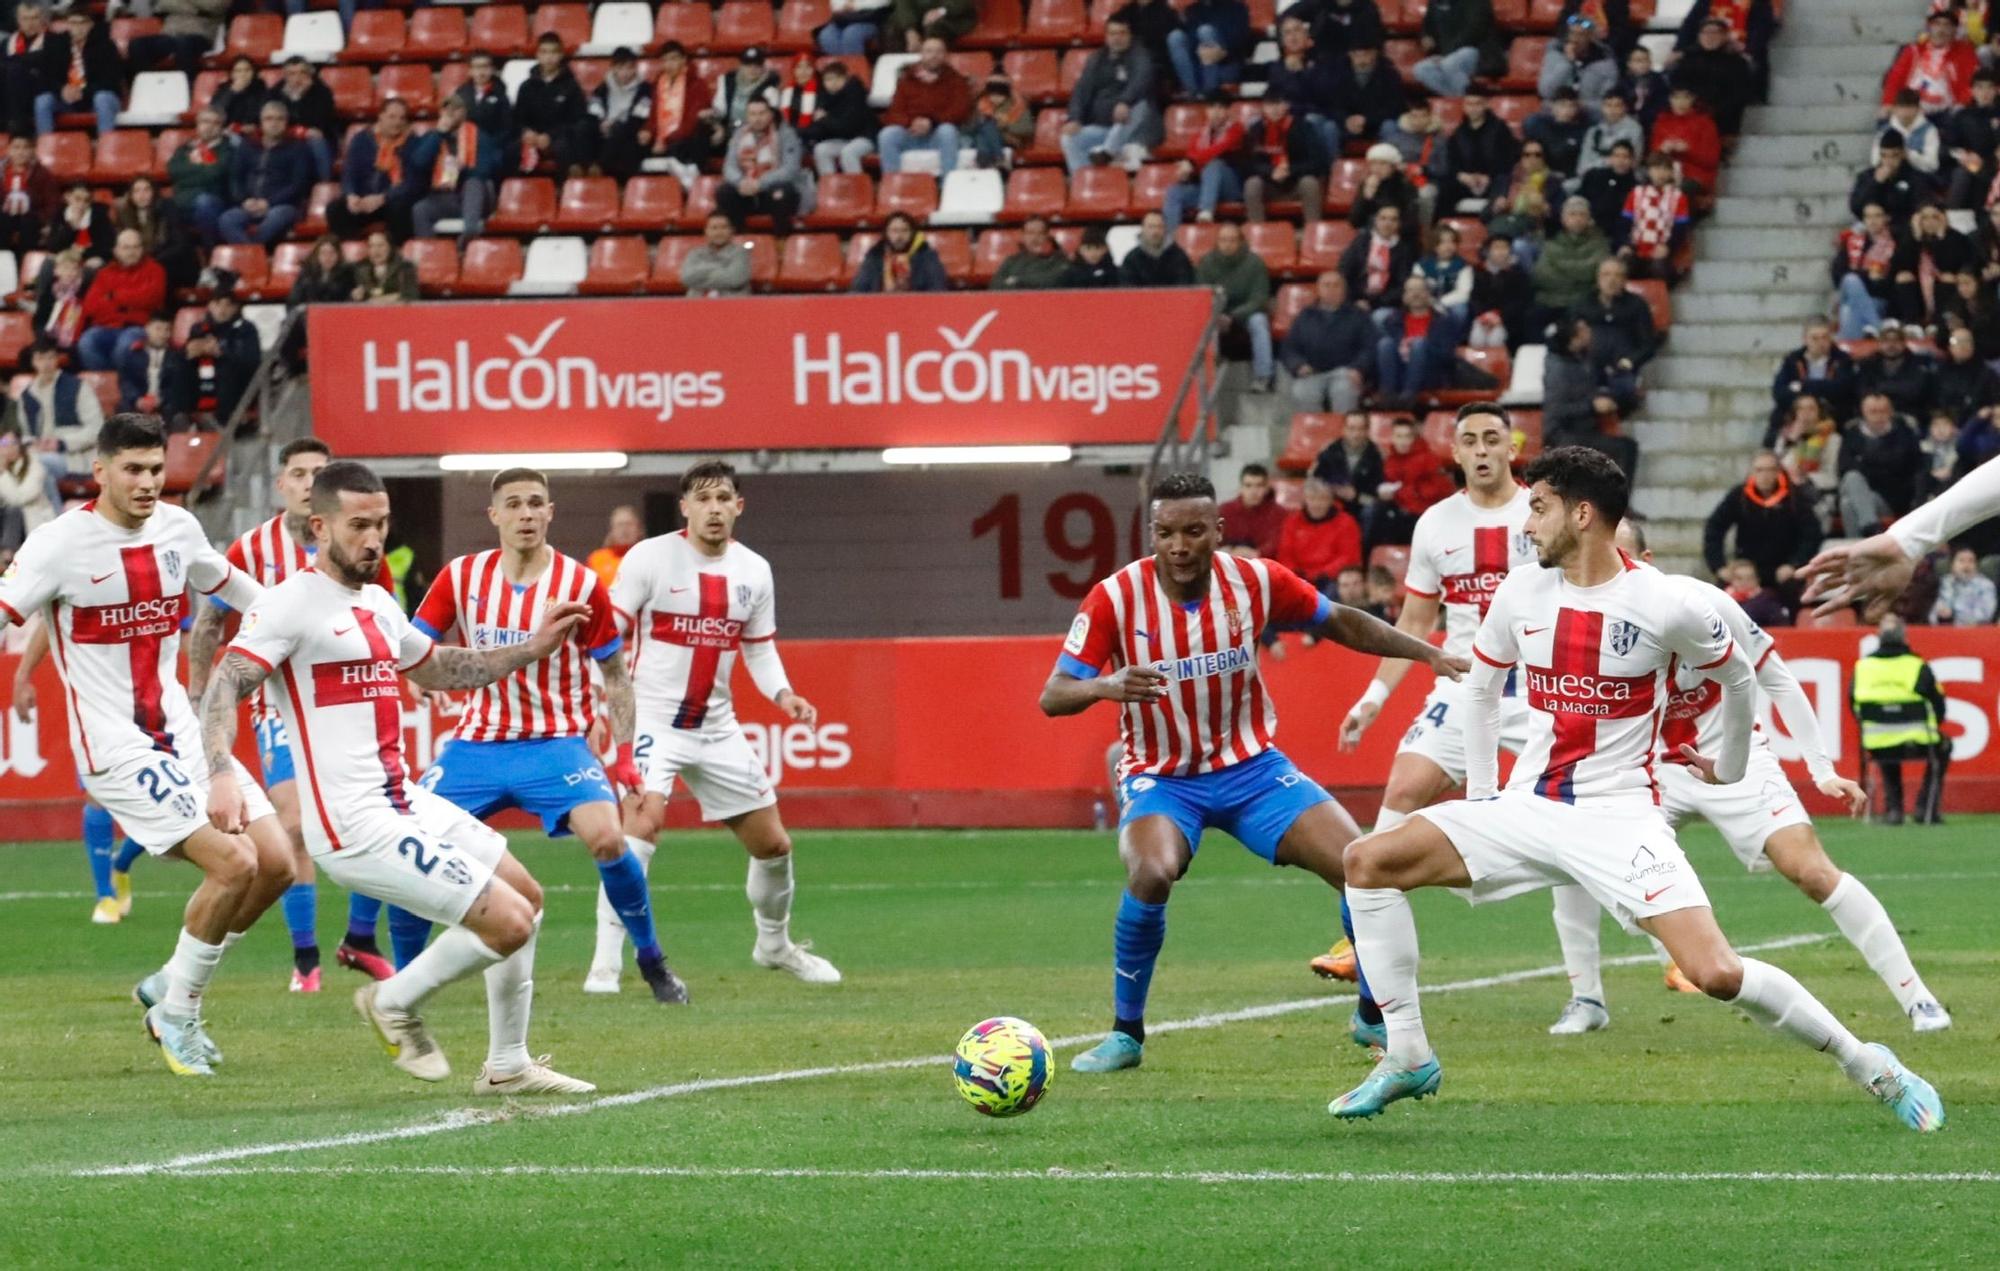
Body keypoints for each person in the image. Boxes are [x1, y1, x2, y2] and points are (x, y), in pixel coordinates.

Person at [1328, 445, 1945, 1132]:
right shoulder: (1520, 591)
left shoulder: (1667, 603)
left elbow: (1742, 678)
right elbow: (1479, 690)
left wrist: (1735, 767)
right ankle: (1408, 1051)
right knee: (1366, 861)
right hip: (1529, 804)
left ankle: (1872, 1064)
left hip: (1619, 817)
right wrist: (1483, 803)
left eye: (1538, 507)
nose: (1525, 525)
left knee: (1715, 973)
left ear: (1582, 513)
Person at [1041, 469, 1466, 1073]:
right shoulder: (1115, 597)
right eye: (1165, 533)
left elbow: (1340, 619)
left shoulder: (1255, 581)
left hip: (1252, 769)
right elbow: (1053, 694)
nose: (1180, 546)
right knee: (1152, 872)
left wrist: (1423, 652)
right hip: (1163, 776)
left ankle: (1372, 1014)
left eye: (1194, 531)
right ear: (1151, 534)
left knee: (1363, 865)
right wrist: (1106, 686)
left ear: (1218, 530)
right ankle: (1125, 1033)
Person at [201, 460, 595, 1094]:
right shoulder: (289, 606)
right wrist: (220, 772)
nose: (374, 538)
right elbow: (226, 685)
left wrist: (529, 649)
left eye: (381, 523)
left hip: (403, 799)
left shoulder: (379, 601)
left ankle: (508, 1066)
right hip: (352, 824)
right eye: (358, 525)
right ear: (317, 526)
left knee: (530, 898)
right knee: (509, 922)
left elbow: (438, 667)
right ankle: (391, 1001)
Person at [1543, 520, 1951, 1034]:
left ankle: (1919, 999)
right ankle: (1589, 1000)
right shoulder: (1579, 621)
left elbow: (1775, 677)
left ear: (1646, 558)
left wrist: (1820, 769)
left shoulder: (1703, 603)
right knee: (1570, 854)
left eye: (1620, 556)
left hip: (1735, 760)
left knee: (1810, 870)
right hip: (1651, 773)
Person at [0, 414, 295, 1077]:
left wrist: (297, 620)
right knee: (234, 863)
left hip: (183, 730)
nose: (147, 482)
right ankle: (178, 1012)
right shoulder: (58, 544)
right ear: (99, 471)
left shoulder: (177, 527)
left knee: (276, 862)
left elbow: (233, 587)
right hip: (116, 748)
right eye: (132, 469)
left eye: (156, 469)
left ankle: (170, 981)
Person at [389, 470, 673, 1000]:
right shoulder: (461, 577)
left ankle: (651, 958)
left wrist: (627, 756)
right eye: (514, 504)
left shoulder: (580, 583)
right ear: (494, 515)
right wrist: (414, 677)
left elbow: (614, 674)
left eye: (535, 504)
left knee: (610, 838)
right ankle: (407, 980)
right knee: (411, 843)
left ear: (550, 513)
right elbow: (415, 645)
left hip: (556, 743)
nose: (525, 513)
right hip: (476, 742)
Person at [589, 461, 842, 992]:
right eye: (702, 499)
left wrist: (784, 694)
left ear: (738, 507)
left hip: (716, 728)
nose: (714, 508)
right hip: (652, 718)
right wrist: (599, 701)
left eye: (723, 498)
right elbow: (608, 634)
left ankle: (774, 944)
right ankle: (606, 965)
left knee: (773, 846)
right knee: (641, 825)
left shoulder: (754, 570)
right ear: (685, 507)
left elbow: (758, 647)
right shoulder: (649, 558)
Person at [1324, 405, 1540, 980]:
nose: (1482, 450)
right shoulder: (1435, 525)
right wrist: (1372, 698)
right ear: (1457, 454)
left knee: (1583, 812)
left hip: (1541, 689)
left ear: (1511, 449)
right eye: (1470, 440)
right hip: (1465, 684)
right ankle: (1357, 938)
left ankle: (1673, 954)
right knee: (1403, 788)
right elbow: (1416, 624)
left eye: (1493, 439)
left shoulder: (1541, 513)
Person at [185, 439, 398, 990]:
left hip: (347, 699)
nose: (308, 482)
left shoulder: (360, 544)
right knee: (297, 824)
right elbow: (210, 622)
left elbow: (382, 623)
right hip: (274, 701)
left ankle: (359, 938)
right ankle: (306, 957)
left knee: (379, 812)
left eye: (318, 473)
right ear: (281, 485)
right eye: (298, 473)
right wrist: (197, 688)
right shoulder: (251, 548)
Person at [1850, 615, 1951, 827]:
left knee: (1887, 749)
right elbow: (1939, 704)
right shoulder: (1918, 666)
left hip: (1877, 743)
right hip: (1918, 742)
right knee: (1944, 745)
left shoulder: (1863, 667)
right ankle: (1926, 809)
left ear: (1879, 638)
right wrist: (1932, 727)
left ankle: (1894, 809)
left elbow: (1853, 704)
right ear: (1905, 638)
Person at [1700, 450, 1823, 590]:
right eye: (1759, 470)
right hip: (1747, 570)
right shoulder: (1739, 495)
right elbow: (1714, 528)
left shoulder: (1794, 497)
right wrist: (1719, 566)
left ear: (1778, 472)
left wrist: (1794, 564)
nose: (1765, 476)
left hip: (1782, 571)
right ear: (1752, 472)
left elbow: (1812, 534)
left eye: (1770, 470)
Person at [1062, 18, 1159, 174]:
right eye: (1113, 33)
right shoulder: (1096, 59)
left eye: (1122, 33)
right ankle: (1084, 182)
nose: (1117, 38)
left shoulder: (1140, 56)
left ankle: (1107, 152)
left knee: (1139, 103)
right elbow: (1081, 90)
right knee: (1069, 138)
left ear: (1130, 36)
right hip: (1103, 127)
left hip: (1133, 129)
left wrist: (1125, 101)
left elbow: (1142, 79)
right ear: (1106, 37)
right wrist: (1074, 118)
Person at [219, 100, 313, 248]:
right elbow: (235, 178)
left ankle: (251, 257)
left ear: (286, 122)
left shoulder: (298, 148)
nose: (274, 123)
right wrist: (244, 200)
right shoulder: (247, 145)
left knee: (278, 216)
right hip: (248, 205)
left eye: (279, 119)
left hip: (281, 206)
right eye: (269, 119)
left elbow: (298, 184)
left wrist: (268, 203)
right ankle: (256, 256)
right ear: (261, 122)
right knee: (227, 219)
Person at [329, 97, 422, 242]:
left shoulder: (412, 143)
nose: (397, 122)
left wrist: (383, 198)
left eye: (402, 118)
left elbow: (412, 182)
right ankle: (352, 251)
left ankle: (396, 254)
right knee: (335, 209)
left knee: (401, 208)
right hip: (363, 200)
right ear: (381, 116)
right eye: (392, 117)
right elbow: (349, 173)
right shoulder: (361, 139)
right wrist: (351, 195)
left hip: (390, 200)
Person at [411, 95, 499, 246]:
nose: (450, 113)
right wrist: (438, 134)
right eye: (447, 109)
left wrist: (464, 170)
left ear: (464, 112)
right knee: (420, 209)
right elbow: (418, 163)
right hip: (447, 197)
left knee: (473, 183)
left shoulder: (480, 136)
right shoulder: (433, 136)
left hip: (476, 196)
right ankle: (430, 254)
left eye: (455, 109)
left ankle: (469, 236)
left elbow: (488, 169)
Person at [1282, 270, 1375, 413]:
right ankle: (1314, 433)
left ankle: (1343, 433)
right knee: (1301, 392)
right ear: (1318, 290)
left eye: (1336, 285)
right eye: (1327, 285)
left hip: (1345, 372)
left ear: (1344, 290)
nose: (1331, 289)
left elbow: (1369, 347)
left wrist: (1358, 368)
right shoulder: (1305, 316)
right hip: (1311, 372)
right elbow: (1290, 348)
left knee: (1345, 391)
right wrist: (1298, 365)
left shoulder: (1358, 315)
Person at [1198, 221, 1274, 391]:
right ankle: (1205, 379)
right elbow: (1202, 295)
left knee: (1259, 322)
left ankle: (1263, 377)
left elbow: (1259, 298)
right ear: (1217, 242)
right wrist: (1217, 315)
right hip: (1216, 313)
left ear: (1241, 242)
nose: (1227, 244)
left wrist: (1232, 316)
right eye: (1223, 240)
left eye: (1232, 240)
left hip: (1245, 314)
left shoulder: (1255, 263)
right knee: (1199, 323)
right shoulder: (1206, 263)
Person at [75, 230, 165, 374]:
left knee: (125, 345)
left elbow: (151, 298)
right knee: (86, 343)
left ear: (142, 249)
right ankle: (110, 384)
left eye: (136, 247)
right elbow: (91, 306)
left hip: (139, 327)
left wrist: (114, 297)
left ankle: (124, 384)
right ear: (116, 251)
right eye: (126, 248)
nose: (132, 252)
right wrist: (129, 302)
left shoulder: (155, 270)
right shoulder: (104, 273)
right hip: (106, 327)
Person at [717, 99, 806, 236]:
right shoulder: (739, 135)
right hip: (746, 189)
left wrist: (761, 183)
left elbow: (790, 169)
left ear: (770, 114)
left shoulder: (786, 134)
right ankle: (739, 238)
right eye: (752, 114)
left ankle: (781, 241)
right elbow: (729, 166)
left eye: (761, 113)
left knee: (781, 193)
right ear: (747, 116)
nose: (757, 119)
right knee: (724, 192)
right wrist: (740, 182)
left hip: (772, 190)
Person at [1375, 274, 1466, 408]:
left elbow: (1447, 356)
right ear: (1404, 296)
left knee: (1419, 344)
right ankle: (1388, 396)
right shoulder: (1392, 320)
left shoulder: (1443, 321)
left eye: (1420, 290)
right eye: (1411, 290)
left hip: (1430, 374)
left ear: (1428, 294)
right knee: (1385, 343)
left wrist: (1422, 347)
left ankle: (1408, 397)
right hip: (1398, 373)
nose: (1415, 294)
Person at [1839, 393, 1924, 535]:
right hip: (1861, 493)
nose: (1878, 416)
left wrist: (1864, 463)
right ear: (1863, 412)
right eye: (1873, 412)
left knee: (1850, 501)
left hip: (1892, 499)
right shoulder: (1852, 434)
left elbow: (1904, 468)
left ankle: (1861, 543)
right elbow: (1844, 467)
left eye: (1883, 411)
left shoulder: (1904, 434)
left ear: (1891, 412)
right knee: (1851, 482)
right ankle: (1870, 528)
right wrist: (1879, 465)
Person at [1161, 91, 1246, 232]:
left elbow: (1217, 150)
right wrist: (1186, 172)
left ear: (1227, 111)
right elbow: (1191, 157)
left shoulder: (1236, 129)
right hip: (1206, 187)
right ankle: (1171, 239)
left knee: (1214, 164)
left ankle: (1206, 212)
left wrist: (1191, 163)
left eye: (1220, 108)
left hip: (1232, 187)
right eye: (1212, 108)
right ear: (1207, 111)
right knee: (1174, 191)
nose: (1216, 112)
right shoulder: (1200, 134)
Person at [1433, 85, 1519, 217]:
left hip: (1493, 180)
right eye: (1469, 104)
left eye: (1478, 103)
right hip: (1467, 181)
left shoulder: (1500, 129)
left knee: (1502, 183)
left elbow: (1506, 161)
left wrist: (1488, 177)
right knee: (1445, 190)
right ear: (1464, 106)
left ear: (1486, 104)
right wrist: (1463, 176)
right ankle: (1443, 230)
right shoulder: (1459, 133)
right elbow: (1452, 162)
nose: (1473, 108)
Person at [514, 33, 592, 177]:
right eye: (544, 52)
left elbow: (579, 121)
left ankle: (569, 191)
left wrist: (550, 136)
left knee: (565, 147)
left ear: (561, 54)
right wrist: (526, 132)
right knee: (511, 149)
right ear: (537, 55)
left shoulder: (571, 86)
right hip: (532, 140)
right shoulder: (526, 87)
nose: (549, 57)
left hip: (560, 139)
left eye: (553, 52)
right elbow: (517, 120)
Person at [35, 7, 121, 137]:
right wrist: (61, 89)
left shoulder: (106, 45)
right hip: (65, 97)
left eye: (83, 22)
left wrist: (83, 92)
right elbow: (45, 77)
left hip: (94, 96)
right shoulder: (55, 44)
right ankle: (45, 147)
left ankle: (106, 145)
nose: (78, 27)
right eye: (74, 22)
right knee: (43, 101)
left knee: (103, 98)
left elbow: (111, 80)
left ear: (90, 24)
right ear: (68, 24)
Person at [1242, 96, 1327, 227]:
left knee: (1310, 183)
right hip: (1269, 184)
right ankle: (1257, 233)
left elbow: (1317, 162)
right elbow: (1248, 164)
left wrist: (1290, 170)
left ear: (1287, 105)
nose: (1274, 109)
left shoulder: (1303, 127)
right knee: (1252, 184)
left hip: (1296, 183)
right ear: (1263, 108)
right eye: (1270, 104)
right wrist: (1271, 171)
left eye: (1279, 103)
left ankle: (1312, 231)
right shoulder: (1256, 130)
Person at [16, 339, 104, 463]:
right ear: (33, 362)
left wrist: (62, 443)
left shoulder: (78, 387)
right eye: (40, 359)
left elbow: (97, 429)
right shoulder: (26, 396)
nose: (46, 364)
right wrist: (31, 444)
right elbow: (25, 434)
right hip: (38, 454)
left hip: (75, 456)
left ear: (57, 359)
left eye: (50, 358)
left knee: (40, 464)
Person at [181, 289, 261, 422]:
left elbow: (251, 361)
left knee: (226, 370)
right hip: (204, 373)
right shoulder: (199, 328)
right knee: (179, 367)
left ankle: (225, 420)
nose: (222, 309)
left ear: (235, 308)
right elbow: (189, 353)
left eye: (228, 305)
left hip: (236, 378)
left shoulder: (246, 329)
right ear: (210, 305)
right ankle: (180, 415)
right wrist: (191, 352)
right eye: (218, 304)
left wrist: (221, 352)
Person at [1883, 9, 1978, 118]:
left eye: (1947, 25)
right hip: (1910, 109)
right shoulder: (1913, 51)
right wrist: (1888, 103)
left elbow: (1971, 83)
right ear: (1929, 28)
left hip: (1946, 113)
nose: (1941, 30)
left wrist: (1960, 106)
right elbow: (1895, 79)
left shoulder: (1965, 53)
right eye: (1937, 24)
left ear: (1954, 30)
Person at [1771, 321, 1857, 436]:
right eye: (1815, 338)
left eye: (1825, 337)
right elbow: (1779, 391)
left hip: (1832, 411)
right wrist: (1806, 400)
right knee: (1777, 417)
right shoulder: (1793, 359)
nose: (1821, 343)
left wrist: (1803, 386)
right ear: (1805, 339)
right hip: (1799, 411)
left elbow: (1841, 388)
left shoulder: (1842, 359)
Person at [1278, 476, 1364, 590]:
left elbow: (1348, 557)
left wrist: (1323, 574)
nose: (1317, 504)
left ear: (1331, 500)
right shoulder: (1292, 522)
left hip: (1331, 580)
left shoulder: (1346, 522)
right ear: (1305, 499)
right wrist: (1295, 574)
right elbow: (1285, 554)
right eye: (1312, 498)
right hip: (1298, 578)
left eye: (1322, 499)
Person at [1618, 151, 1689, 281]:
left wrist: (1668, 246)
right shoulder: (1636, 193)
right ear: (1649, 171)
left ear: (1671, 173)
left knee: (1659, 269)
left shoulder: (1678, 197)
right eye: (1656, 168)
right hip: (1636, 249)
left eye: (1665, 169)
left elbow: (1681, 228)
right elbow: (1625, 223)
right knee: (1623, 267)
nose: (1661, 173)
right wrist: (1625, 244)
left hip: (1662, 251)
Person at [166, 109, 232, 245]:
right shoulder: (185, 148)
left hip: (213, 201)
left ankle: (211, 254)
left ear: (221, 127)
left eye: (216, 123)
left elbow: (215, 173)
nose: (210, 126)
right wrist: (201, 169)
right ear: (197, 125)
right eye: (205, 122)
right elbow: (173, 170)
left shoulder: (228, 149)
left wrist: (189, 173)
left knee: (204, 203)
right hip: (183, 200)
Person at [1412, 0, 1503, 99]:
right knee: (1421, 69)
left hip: (1478, 51)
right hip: (1446, 54)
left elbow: (1474, 31)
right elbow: (1427, 26)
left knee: (1450, 64)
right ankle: (1460, 100)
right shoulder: (1435, 2)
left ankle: (1466, 103)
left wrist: (1447, 54)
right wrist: (1426, 37)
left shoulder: (1477, 2)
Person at [1339, 203, 1418, 316]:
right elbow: (1344, 273)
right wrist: (1354, 301)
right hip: (1355, 299)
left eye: (1393, 219)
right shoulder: (1361, 242)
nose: (1387, 223)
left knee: (1380, 317)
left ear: (1399, 224)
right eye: (1383, 218)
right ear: (1376, 221)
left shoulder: (1404, 250)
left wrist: (1373, 303)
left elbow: (1402, 285)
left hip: (1384, 304)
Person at [804, 60, 878, 176]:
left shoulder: (855, 93)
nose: (832, 83)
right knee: (821, 149)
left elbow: (848, 127)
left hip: (865, 138)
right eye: (828, 80)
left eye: (837, 78)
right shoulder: (825, 98)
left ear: (845, 78)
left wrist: (824, 119)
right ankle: (831, 188)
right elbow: (821, 128)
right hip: (843, 140)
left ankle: (857, 191)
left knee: (848, 153)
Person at [1311, 411, 1386, 523]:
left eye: (1360, 429)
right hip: (1332, 501)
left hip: (1362, 506)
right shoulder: (1330, 451)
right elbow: (1314, 480)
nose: (1356, 434)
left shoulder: (1377, 456)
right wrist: (1333, 490)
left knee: (1373, 510)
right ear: (1344, 429)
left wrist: (1356, 496)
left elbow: (1378, 497)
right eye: (1351, 428)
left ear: (1367, 430)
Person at [1167, 0, 1250, 97]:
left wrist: (1224, 51)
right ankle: (1193, 93)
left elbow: (1241, 38)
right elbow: (1191, 39)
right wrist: (1199, 50)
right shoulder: (1193, 10)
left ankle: (1210, 92)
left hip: (1227, 62)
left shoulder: (1237, 7)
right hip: (1199, 62)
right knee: (1175, 37)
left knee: (1206, 31)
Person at [1649, 82, 1720, 194]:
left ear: (1693, 99)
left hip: (1694, 174)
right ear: (1670, 99)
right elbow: (1652, 155)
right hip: (1663, 172)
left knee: (1679, 190)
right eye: (1676, 97)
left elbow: (1711, 160)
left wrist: (1688, 150)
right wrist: (1662, 150)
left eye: (1686, 97)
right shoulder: (1662, 121)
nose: (1681, 102)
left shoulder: (1705, 123)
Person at [116, 313, 191, 418]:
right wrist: (137, 400)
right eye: (158, 329)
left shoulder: (178, 355)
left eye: (167, 330)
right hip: (137, 402)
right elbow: (126, 381)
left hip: (166, 404)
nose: (163, 334)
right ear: (147, 329)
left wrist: (161, 400)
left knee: (179, 412)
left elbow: (178, 385)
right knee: (123, 412)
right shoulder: (133, 353)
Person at [851, 210, 947, 292]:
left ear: (912, 233)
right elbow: (859, 289)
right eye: (894, 231)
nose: (899, 236)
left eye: (904, 231)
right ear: (886, 233)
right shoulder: (875, 256)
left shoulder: (927, 255)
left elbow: (937, 288)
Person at [0, 132, 57, 255]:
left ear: (32, 150)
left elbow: (52, 204)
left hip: (31, 220)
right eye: (16, 147)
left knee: (28, 223)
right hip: (4, 218)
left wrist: (43, 219)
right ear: (9, 149)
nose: (21, 152)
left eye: (25, 147)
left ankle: (24, 267)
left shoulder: (42, 174)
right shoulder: (1, 172)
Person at [1218, 462, 1287, 559]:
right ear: (1241, 488)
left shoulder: (1279, 514)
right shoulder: (1225, 511)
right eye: (1248, 485)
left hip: (1265, 567)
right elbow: (1214, 541)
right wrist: (1225, 551)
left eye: (1259, 485)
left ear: (1267, 488)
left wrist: (1257, 553)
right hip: (1230, 564)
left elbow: (1279, 545)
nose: (1253, 491)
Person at [681, 212, 753, 297]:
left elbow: (735, 279)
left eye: (724, 227)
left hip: (732, 306)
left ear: (732, 230)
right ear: (706, 231)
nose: (719, 232)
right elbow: (687, 278)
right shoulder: (695, 254)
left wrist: (701, 275)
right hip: (697, 306)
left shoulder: (741, 253)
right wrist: (722, 267)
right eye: (714, 228)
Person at [990, 215, 1069, 290]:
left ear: (1047, 236)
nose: (1035, 238)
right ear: (1023, 236)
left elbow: (1052, 282)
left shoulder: (1059, 259)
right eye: (1030, 233)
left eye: (1040, 233)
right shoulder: (1012, 261)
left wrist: (1016, 281)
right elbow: (995, 286)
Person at [1120, 209, 1196, 287]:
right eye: (1151, 227)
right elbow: (1128, 292)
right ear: (1142, 229)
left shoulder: (1179, 257)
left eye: (1159, 226)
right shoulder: (1131, 259)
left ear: (1165, 229)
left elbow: (1185, 289)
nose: (1155, 231)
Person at [347, 229, 417, 304]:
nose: (375, 250)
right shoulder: (361, 268)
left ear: (390, 247)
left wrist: (380, 301)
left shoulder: (405, 267)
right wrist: (356, 296)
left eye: (380, 245)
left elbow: (409, 296)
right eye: (371, 246)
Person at [1933, 545, 1996, 626]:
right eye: (1961, 561)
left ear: (1976, 566)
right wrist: (1940, 612)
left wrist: (1955, 617)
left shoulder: (1986, 585)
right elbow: (1933, 610)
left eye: (1971, 561)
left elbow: (1985, 614)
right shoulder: (1944, 582)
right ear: (1952, 565)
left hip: (1974, 631)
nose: (1966, 565)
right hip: (1943, 630)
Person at [588, 505, 643, 589]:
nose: (624, 529)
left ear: (639, 529)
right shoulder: (597, 559)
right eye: (620, 525)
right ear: (611, 531)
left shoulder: (649, 558)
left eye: (629, 524)